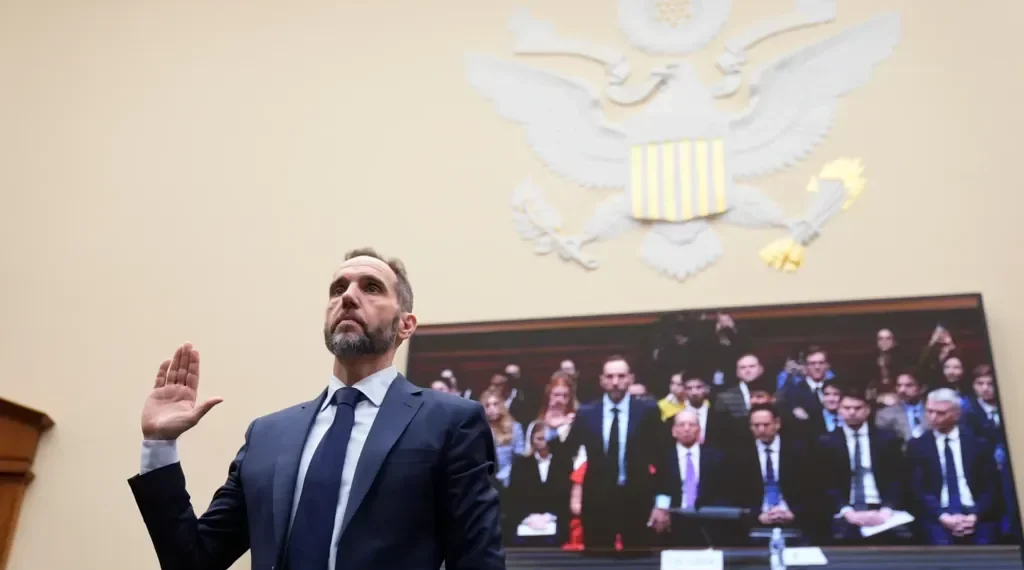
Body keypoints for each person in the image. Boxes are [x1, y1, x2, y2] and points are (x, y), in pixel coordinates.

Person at [127, 248, 506, 570]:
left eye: (371, 288)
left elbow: (478, 561)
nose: (349, 297)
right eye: (338, 289)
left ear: (405, 325)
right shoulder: (267, 436)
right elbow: (192, 562)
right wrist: (159, 445)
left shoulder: (449, 422)